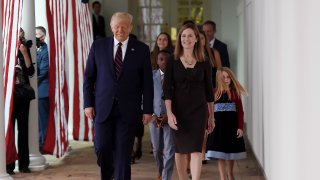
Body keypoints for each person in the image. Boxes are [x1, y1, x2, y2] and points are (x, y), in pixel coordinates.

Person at [83, 12, 153, 180]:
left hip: (128, 109)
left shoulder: (142, 49)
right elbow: (89, 78)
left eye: (124, 26)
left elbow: (147, 83)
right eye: (117, 26)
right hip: (102, 107)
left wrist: (147, 110)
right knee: (101, 147)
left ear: (130, 27)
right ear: (111, 27)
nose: (120, 29)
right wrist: (88, 104)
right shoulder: (98, 46)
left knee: (123, 152)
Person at [163, 23, 215, 180]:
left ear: (197, 39)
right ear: (179, 38)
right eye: (183, 36)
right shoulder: (172, 61)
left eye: (190, 36)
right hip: (178, 111)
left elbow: (209, 91)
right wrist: (169, 113)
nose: (186, 39)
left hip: (199, 111)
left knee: (196, 150)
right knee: (179, 150)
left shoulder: (205, 62)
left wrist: (211, 116)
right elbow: (167, 90)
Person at [206, 67, 248, 180]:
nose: (226, 79)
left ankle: (230, 173)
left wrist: (240, 127)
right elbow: (208, 112)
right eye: (223, 77)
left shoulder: (235, 94)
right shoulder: (214, 93)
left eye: (228, 77)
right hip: (218, 128)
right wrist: (207, 125)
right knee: (220, 154)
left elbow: (240, 112)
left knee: (230, 152)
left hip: (231, 128)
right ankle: (222, 177)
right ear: (219, 79)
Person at [6, 28, 35, 174]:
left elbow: (30, 72)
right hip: (8, 96)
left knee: (23, 130)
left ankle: (24, 164)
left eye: (21, 35)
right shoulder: (4, 47)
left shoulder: (24, 48)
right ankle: (8, 164)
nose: (20, 37)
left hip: (23, 94)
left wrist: (24, 53)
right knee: (8, 130)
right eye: (18, 34)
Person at [150, 49, 175, 180]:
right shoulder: (151, 76)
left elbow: (180, 99)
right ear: (157, 61)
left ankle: (166, 177)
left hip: (170, 118)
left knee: (169, 149)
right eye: (161, 59)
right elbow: (145, 98)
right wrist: (152, 115)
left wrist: (170, 114)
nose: (164, 61)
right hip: (154, 118)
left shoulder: (176, 77)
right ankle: (160, 171)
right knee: (156, 149)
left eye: (167, 59)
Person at [36, 26, 49, 153]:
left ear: (43, 36)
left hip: (42, 90)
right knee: (37, 121)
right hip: (36, 90)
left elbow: (43, 71)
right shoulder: (35, 49)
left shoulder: (46, 50)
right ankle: (39, 142)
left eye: (37, 34)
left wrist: (32, 82)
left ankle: (43, 144)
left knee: (43, 120)